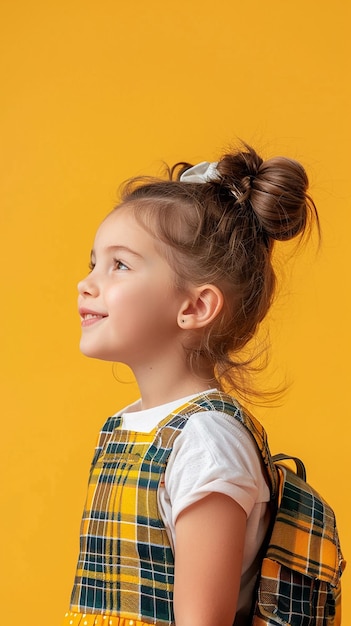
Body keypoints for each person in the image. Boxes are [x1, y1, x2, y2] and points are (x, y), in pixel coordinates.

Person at [62, 143, 318, 626]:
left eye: (119, 265)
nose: (86, 283)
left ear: (196, 307)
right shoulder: (125, 429)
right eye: (93, 261)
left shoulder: (206, 443)